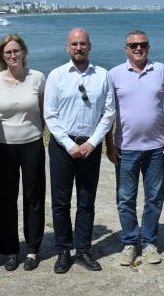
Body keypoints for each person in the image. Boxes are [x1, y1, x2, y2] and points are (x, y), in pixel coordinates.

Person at [43, 27, 116, 273]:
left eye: (83, 43)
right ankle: (63, 250)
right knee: (61, 202)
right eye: (74, 44)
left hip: (90, 147)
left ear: (90, 46)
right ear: (67, 47)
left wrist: (92, 143)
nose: (78, 48)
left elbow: (109, 113)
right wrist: (70, 144)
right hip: (62, 147)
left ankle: (83, 249)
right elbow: (50, 115)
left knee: (86, 201)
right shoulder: (56, 76)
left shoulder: (103, 75)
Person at [104, 30, 164, 266]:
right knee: (126, 198)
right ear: (126, 48)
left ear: (148, 47)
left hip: (156, 147)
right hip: (125, 148)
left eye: (143, 44)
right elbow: (108, 112)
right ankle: (129, 243)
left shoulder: (161, 70)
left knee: (154, 198)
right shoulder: (114, 74)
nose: (138, 48)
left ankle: (149, 243)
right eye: (133, 45)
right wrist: (109, 144)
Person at [0, 33, 46, 272]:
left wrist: (38, 132)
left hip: (32, 143)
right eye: (8, 52)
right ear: (2, 56)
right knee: (6, 197)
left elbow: (44, 111)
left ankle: (32, 249)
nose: (13, 55)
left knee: (34, 197)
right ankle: (10, 250)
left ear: (23, 52)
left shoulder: (38, 78)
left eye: (16, 50)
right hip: (5, 145)